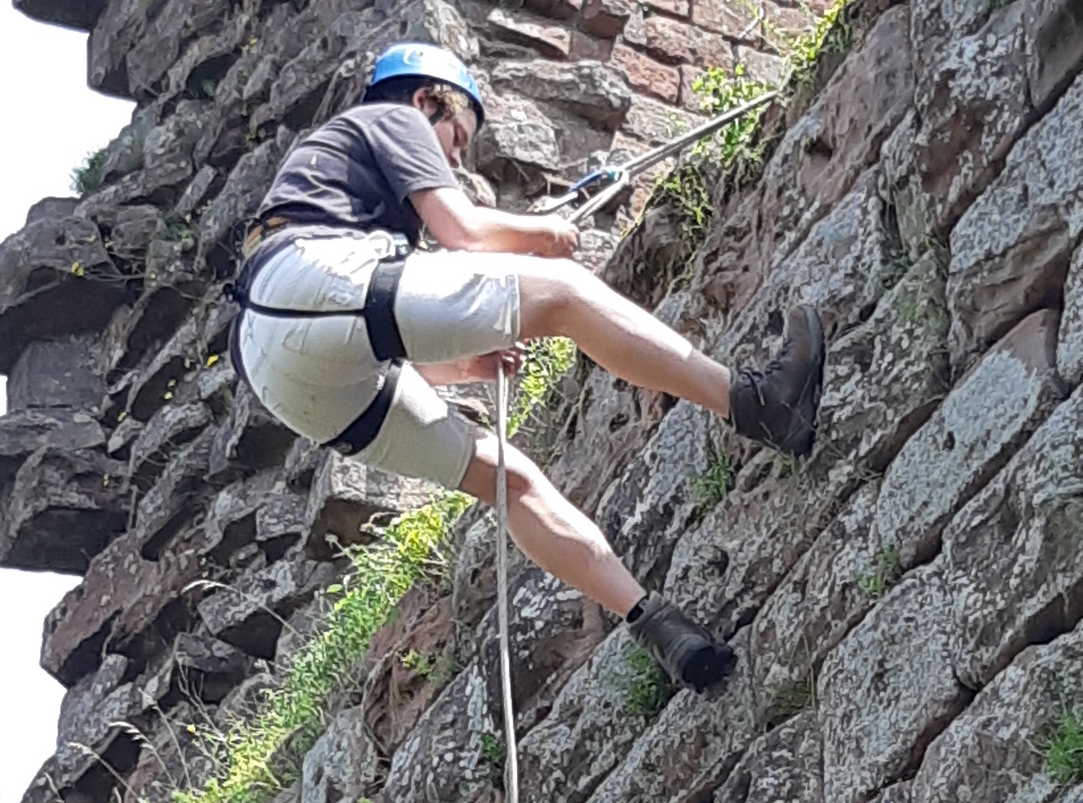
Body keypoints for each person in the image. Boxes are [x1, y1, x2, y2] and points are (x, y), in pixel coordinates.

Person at [229, 43, 824, 695]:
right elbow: (462, 231)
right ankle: (758, 404)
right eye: (457, 140)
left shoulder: (338, 191)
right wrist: (545, 235)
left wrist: (466, 363)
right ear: (428, 100)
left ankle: (660, 628)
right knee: (564, 293)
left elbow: (356, 338)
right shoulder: (395, 118)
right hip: (309, 282)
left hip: (281, 366)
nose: (453, 160)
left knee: (509, 479)